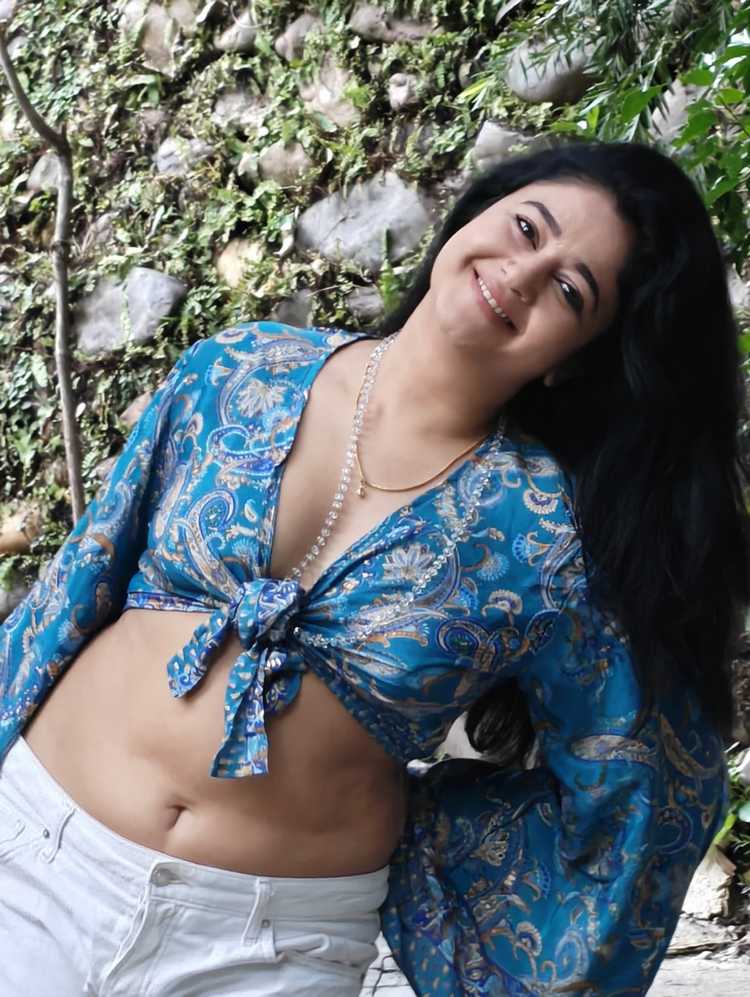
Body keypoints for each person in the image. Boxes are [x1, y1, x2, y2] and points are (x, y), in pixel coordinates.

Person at [0, 140, 747, 996]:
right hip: (34, 853)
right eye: (525, 228)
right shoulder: (238, 367)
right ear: (476, 213)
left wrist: (442, 834)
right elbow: (82, 577)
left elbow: (650, 783)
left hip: (269, 946)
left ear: (574, 357)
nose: (521, 274)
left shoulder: (551, 535)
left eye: (571, 291)